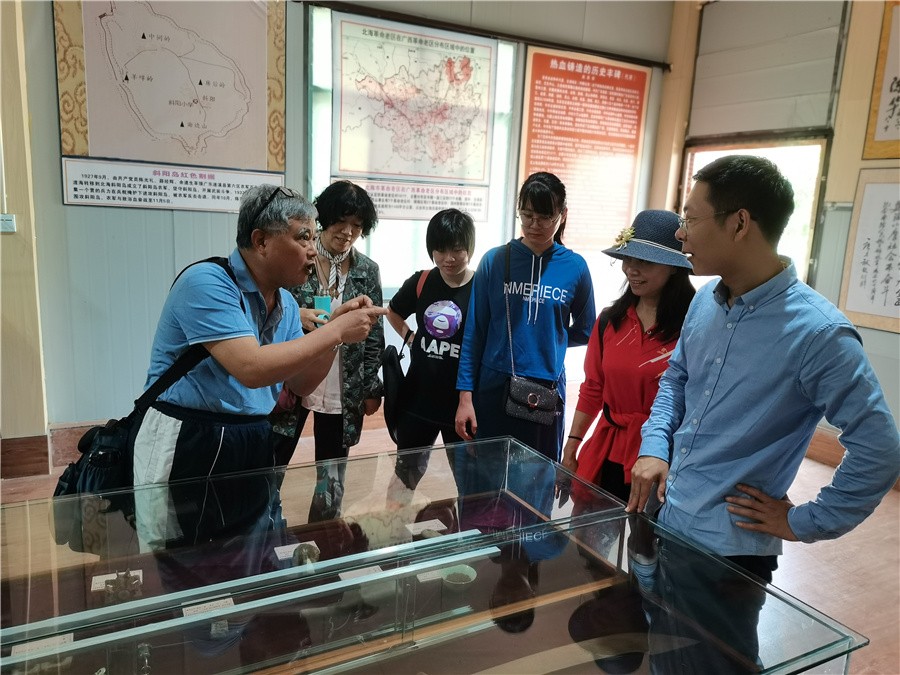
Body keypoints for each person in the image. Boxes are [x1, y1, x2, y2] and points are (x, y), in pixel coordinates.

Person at [626, 155, 900, 582]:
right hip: (667, 515)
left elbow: (879, 448)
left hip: (730, 555)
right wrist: (655, 445)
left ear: (739, 224)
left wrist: (805, 521)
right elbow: (677, 380)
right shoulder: (705, 300)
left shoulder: (819, 334)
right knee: (653, 623)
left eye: (690, 219)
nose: (680, 233)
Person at [132, 184, 386, 548]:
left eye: (313, 237)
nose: (313, 250)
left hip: (251, 434)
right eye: (303, 237)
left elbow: (300, 384)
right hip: (189, 436)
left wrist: (335, 334)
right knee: (180, 556)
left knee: (250, 548)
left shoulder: (284, 302)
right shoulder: (206, 282)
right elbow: (251, 368)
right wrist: (335, 332)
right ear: (261, 240)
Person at [455, 172, 595, 462]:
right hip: (493, 383)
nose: (534, 225)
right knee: (488, 474)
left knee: (538, 474)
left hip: (546, 389)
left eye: (545, 217)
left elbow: (585, 329)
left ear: (562, 215)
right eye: (527, 215)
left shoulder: (575, 267)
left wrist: (549, 340)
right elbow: (474, 332)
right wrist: (465, 397)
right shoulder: (494, 260)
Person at [562, 210, 694, 504]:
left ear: (674, 268)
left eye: (645, 262)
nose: (631, 270)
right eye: (628, 259)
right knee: (596, 530)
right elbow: (593, 388)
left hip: (663, 458)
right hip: (608, 451)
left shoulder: (693, 326)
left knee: (646, 533)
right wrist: (572, 444)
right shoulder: (610, 321)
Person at [271, 180, 385, 465]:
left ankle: (327, 498)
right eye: (340, 222)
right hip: (294, 375)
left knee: (332, 471)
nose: (347, 232)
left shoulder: (367, 270)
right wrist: (297, 315)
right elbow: (268, 308)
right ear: (324, 218)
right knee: (273, 460)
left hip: (341, 382)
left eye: (356, 225)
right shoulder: (299, 259)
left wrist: (371, 387)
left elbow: (374, 336)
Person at [386, 208, 476, 489]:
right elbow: (393, 311)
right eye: (440, 250)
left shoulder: (481, 287)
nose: (449, 258)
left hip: (461, 404)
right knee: (404, 479)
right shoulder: (422, 281)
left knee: (468, 483)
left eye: (457, 249)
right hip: (418, 400)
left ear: (469, 248)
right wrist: (410, 337)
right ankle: (397, 519)